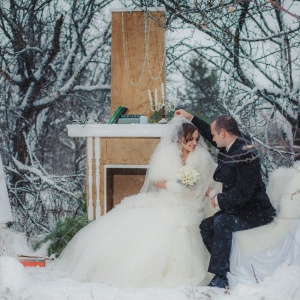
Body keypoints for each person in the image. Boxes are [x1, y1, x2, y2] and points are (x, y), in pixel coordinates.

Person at [56, 117, 220, 288]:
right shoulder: (167, 154)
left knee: (186, 224)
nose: (194, 143)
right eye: (190, 139)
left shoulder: (202, 156)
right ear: (180, 138)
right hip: (169, 199)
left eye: (196, 138)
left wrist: (212, 193)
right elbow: (156, 180)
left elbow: (207, 183)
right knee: (167, 224)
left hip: (192, 203)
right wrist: (172, 185)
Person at [175, 109, 276, 289]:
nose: (211, 139)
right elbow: (210, 130)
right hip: (239, 208)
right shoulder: (231, 141)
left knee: (222, 222)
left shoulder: (247, 154)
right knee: (206, 226)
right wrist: (190, 116)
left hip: (257, 211)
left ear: (223, 133)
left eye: (214, 135)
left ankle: (221, 278)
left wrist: (220, 199)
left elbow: (244, 193)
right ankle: (231, 267)